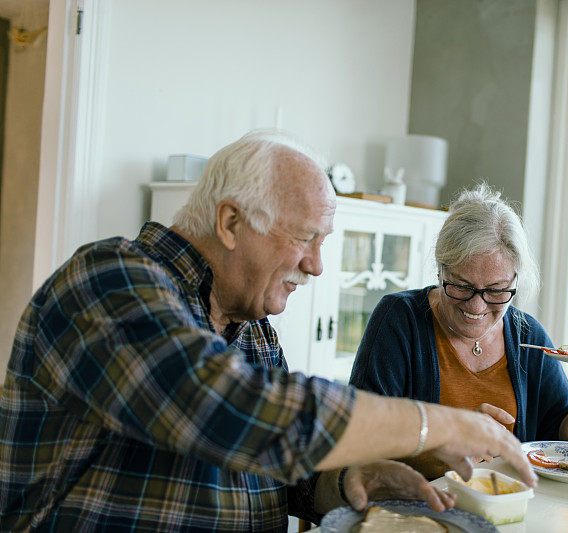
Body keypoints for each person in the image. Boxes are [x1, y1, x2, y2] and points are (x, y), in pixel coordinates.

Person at [0, 132, 536, 531]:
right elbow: (227, 406)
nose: (316, 266)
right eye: (306, 237)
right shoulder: (108, 280)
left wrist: (348, 481)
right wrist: (435, 425)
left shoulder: (252, 326)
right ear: (231, 223)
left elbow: (287, 473)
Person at [349, 184, 568, 477]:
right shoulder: (400, 320)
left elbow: (567, 452)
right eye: (461, 286)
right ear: (440, 270)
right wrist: (450, 440)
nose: (478, 307)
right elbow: (361, 439)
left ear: (514, 281)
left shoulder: (527, 336)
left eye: (496, 291)